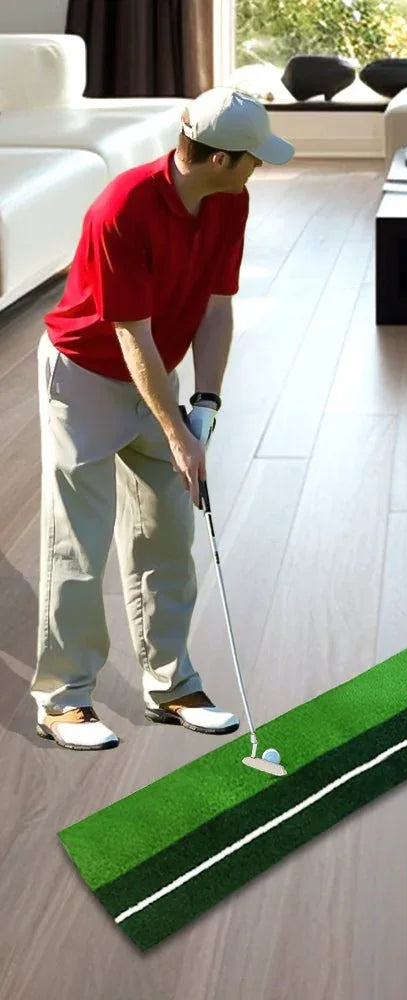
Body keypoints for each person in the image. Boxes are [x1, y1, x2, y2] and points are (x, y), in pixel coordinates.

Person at [30, 88, 294, 750]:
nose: (260, 168)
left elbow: (215, 304)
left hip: (153, 374)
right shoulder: (123, 208)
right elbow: (129, 336)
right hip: (86, 373)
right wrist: (176, 434)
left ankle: (171, 685)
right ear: (220, 158)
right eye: (253, 158)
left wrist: (205, 404)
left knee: (168, 531)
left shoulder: (230, 199)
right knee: (78, 544)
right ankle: (63, 700)